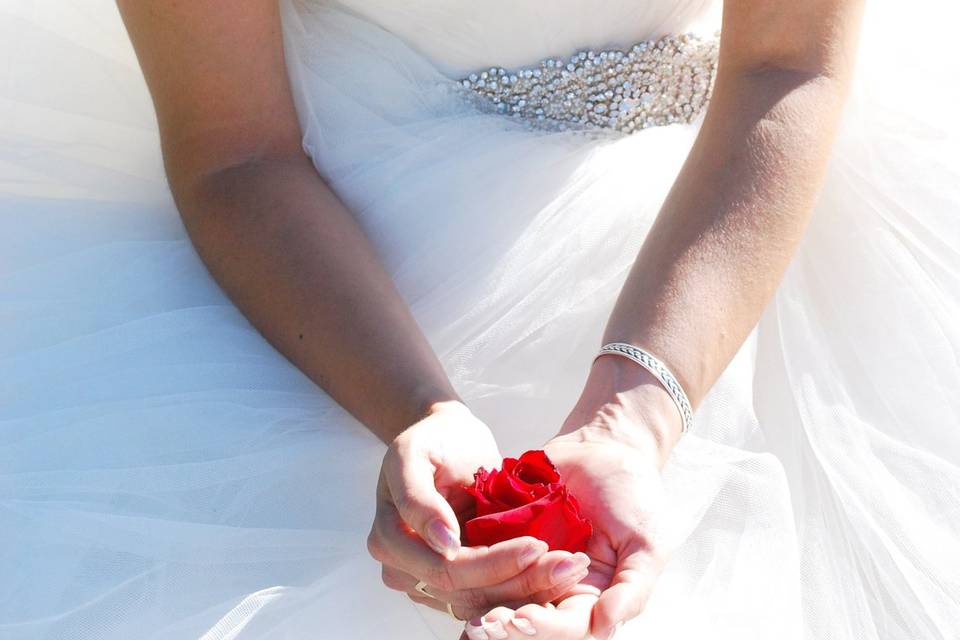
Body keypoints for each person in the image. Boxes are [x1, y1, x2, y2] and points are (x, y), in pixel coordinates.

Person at [2, 1, 958, 639]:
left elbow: (788, 62)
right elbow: (233, 147)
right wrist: (420, 412)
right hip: (337, 262)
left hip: (728, 213)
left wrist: (633, 408)